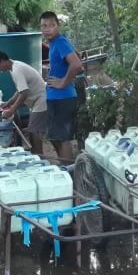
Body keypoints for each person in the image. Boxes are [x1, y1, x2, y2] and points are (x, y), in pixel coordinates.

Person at [40, 11, 83, 162]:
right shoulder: (54, 43)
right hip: (56, 98)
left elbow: (77, 64)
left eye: (51, 25)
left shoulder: (60, 42)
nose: (47, 29)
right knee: (56, 137)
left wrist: (62, 82)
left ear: (58, 26)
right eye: (44, 26)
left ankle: (68, 171)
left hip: (63, 98)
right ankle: (64, 167)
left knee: (63, 138)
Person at [0, 50, 47, 155]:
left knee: (34, 131)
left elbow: (24, 92)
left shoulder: (16, 70)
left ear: (2, 61)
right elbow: (20, 89)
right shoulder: (14, 67)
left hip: (40, 100)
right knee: (33, 130)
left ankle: (39, 155)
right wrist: (9, 102)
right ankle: (35, 153)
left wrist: (12, 110)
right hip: (36, 100)